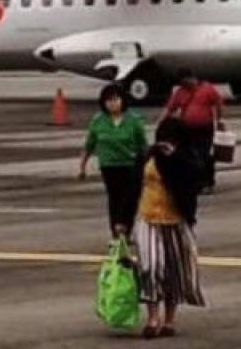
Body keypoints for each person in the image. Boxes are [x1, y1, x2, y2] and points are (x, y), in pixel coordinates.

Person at [134, 117, 206, 338]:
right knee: (150, 268)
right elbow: (131, 187)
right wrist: (123, 221)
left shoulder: (187, 157)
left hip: (175, 219)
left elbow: (197, 177)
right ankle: (153, 317)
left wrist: (175, 156)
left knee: (174, 271)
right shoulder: (148, 156)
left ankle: (169, 320)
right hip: (147, 217)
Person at [77, 84, 148, 237]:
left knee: (130, 199)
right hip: (109, 165)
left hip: (130, 164)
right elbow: (89, 144)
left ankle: (126, 228)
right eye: (108, 101)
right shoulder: (98, 121)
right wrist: (82, 166)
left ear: (122, 100)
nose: (112, 103)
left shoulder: (134, 120)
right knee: (115, 198)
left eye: (115, 99)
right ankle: (116, 231)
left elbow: (143, 146)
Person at [160, 68, 225, 193]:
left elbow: (218, 103)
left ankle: (207, 181)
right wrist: (161, 122)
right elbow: (170, 108)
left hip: (204, 128)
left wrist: (220, 120)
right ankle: (196, 181)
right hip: (187, 129)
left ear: (191, 78)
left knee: (203, 154)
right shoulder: (180, 92)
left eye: (184, 82)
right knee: (190, 155)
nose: (183, 85)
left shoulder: (207, 88)